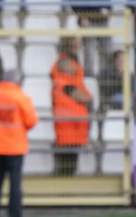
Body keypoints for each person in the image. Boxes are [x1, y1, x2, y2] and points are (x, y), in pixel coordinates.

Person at [0, 69, 38, 217]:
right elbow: (31, 121)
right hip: (15, 146)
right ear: (18, 81)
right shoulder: (20, 97)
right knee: (15, 182)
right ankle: (14, 214)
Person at [50, 38, 93, 176]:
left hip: (70, 127)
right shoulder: (66, 84)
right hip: (70, 127)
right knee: (68, 163)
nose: (74, 67)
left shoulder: (61, 82)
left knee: (67, 160)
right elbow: (85, 97)